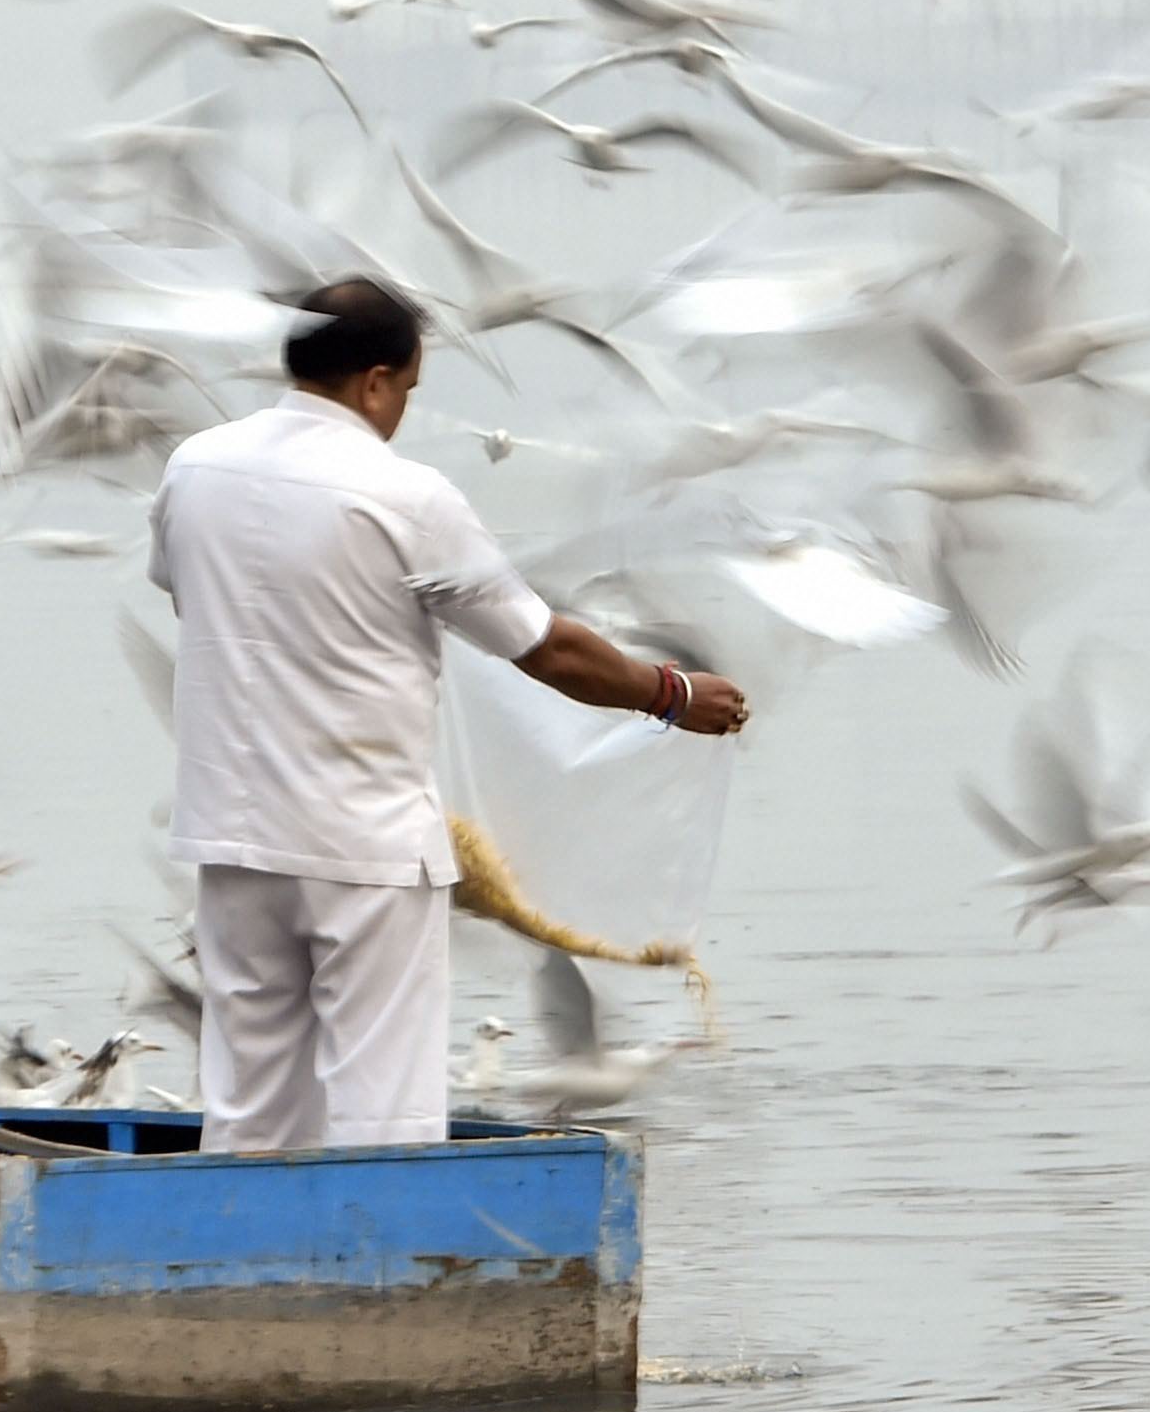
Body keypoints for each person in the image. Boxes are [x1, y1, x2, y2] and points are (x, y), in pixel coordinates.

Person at [147, 278, 748, 1155]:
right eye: (411, 392)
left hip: (233, 842)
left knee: (249, 1108)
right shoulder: (405, 496)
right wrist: (674, 693)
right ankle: (380, 1278)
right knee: (383, 1114)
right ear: (378, 381)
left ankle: (243, 1277)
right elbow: (548, 650)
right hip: (364, 849)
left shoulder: (194, 468)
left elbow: (187, 593)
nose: (401, 412)